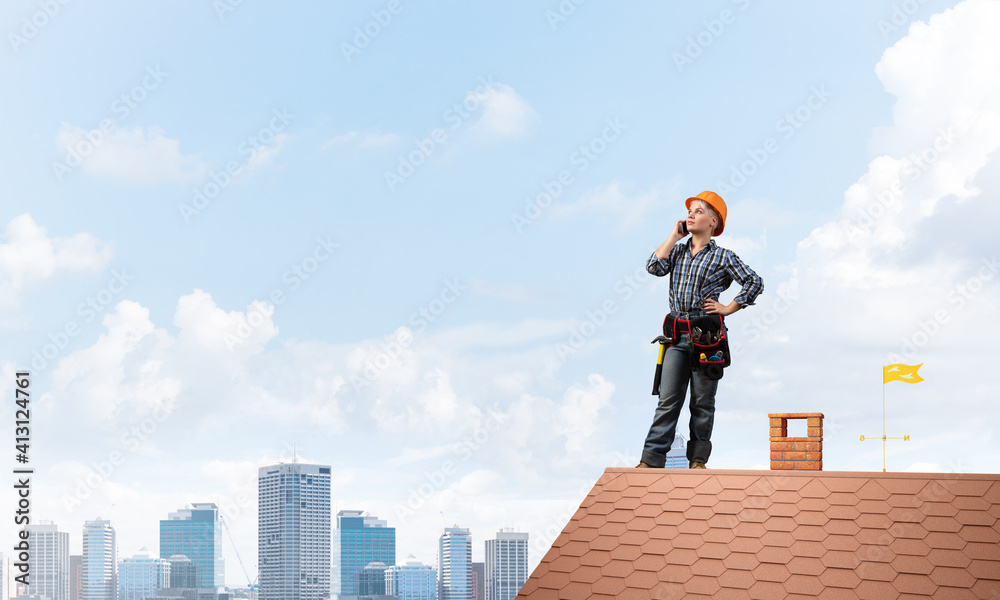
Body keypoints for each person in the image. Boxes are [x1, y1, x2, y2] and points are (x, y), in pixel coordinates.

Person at [636, 191, 763, 469]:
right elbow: (653, 266)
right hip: (676, 335)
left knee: (702, 402)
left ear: (713, 221)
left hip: (707, 337)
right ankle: (651, 459)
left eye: (698, 211)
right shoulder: (678, 251)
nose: (690, 214)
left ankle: (697, 461)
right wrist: (673, 236)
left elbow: (754, 282)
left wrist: (729, 307)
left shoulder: (723, 257)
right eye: (689, 211)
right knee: (668, 400)